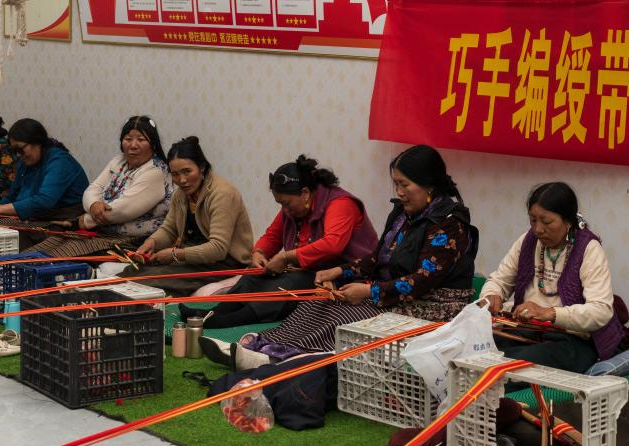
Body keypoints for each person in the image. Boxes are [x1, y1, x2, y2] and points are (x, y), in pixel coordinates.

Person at [204, 145, 476, 370]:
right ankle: (264, 345)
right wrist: (340, 272)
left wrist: (368, 291)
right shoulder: (404, 214)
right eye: (396, 185)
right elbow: (378, 259)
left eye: (404, 185)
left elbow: (422, 282)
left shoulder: (448, 223)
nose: (399, 193)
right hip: (394, 292)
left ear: (429, 185)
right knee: (318, 302)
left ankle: (285, 359)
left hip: (431, 305)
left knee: (349, 316)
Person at [203, 155, 379, 328]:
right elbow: (272, 236)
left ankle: (237, 318)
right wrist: (259, 253)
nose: (284, 209)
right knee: (254, 275)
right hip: (307, 272)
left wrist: (286, 257)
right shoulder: (293, 208)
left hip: (342, 275)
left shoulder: (341, 203)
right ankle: (215, 312)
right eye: (280, 204)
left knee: (292, 282)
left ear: (305, 193)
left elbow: (333, 245)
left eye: (286, 203)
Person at [479, 182, 629, 374]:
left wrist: (549, 313)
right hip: (527, 331)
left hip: (571, 340)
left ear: (568, 221)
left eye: (547, 222)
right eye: (533, 220)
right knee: (477, 349)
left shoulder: (588, 249)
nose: (538, 229)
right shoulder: (528, 241)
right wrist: (491, 294)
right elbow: (499, 280)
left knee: (514, 364)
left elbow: (601, 310)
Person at [24, 116, 173, 259]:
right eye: (128, 139)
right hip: (100, 228)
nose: (133, 145)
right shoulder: (118, 161)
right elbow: (93, 188)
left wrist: (85, 220)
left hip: (131, 239)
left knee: (58, 255)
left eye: (141, 140)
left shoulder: (156, 171)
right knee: (42, 248)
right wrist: (94, 204)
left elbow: (122, 210)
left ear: (153, 144)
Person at [129, 136, 254, 296]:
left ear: (202, 167)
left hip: (224, 264)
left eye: (187, 171)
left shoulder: (222, 194)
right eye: (175, 174)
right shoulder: (180, 195)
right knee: (131, 272)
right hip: (193, 257)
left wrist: (175, 254)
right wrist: (151, 242)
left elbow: (218, 249)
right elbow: (169, 229)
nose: (182, 180)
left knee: (147, 283)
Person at [0, 119, 86, 222]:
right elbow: (12, 197)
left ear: (37, 142)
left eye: (20, 149)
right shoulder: (25, 163)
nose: (18, 155)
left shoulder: (59, 161)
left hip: (64, 219)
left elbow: (44, 201)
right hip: (38, 217)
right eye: (14, 151)